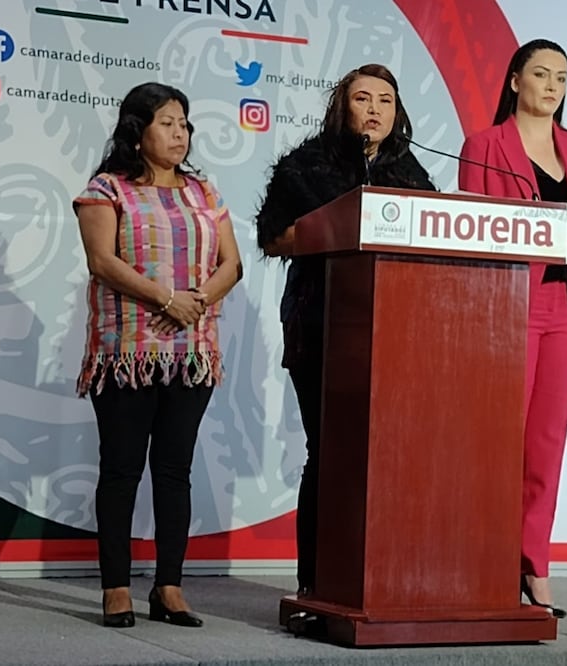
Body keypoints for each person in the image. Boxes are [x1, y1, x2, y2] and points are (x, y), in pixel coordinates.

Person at [255, 64, 436, 597]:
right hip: (321, 323)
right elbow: (271, 239)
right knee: (330, 448)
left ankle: (383, 575)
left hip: (395, 331)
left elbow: (434, 229)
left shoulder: (408, 170)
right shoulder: (304, 165)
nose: (375, 109)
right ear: (343, 107)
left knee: (388, 452)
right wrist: (333, 229)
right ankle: (317, 579)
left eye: (386, 99)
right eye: (363, 98)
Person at [458, 39, 567, 618]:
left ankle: (535, 564)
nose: (553, 86)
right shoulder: (484, 145)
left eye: (562, 78)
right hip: (508, 309)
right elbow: (470, 232)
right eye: (542, 74)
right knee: (501, 440)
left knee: (546, 445)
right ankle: (488, 560)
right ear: (514, 81)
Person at [74, 82, 242, 628]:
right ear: (137, 130)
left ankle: (168, 587)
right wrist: (166, 299)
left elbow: (231, 264)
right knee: (121, 470)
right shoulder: (107, 189)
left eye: (184, 124)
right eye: (168, 122)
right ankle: (116, 588)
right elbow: (102, 260)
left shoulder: (204, 192)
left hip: (191, 352)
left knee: (175, 470)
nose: (180, 134)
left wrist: (195, 304)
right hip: (127, 349)